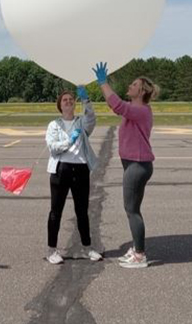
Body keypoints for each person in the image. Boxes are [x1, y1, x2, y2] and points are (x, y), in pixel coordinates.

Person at [93, 62, 159, 269]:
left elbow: (117, 105)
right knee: (134, 209)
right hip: (136, 165)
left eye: (134, 84)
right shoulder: (137, 110)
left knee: (131, 210)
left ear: (141, 91)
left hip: (137, 166)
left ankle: (140, 255)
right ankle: (137, 248)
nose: (129, 86)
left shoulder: (141, 111)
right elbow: (117, 106)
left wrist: (103, 82)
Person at [44, 86, 102, 264]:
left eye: (71, 99)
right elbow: (53, 146)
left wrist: (86, 100)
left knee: (82, 211)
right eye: (65, 100)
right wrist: (70, 140)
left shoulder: (81, 122)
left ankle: (87, 248)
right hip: (61, 169)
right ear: (60, 105)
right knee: (56, 211)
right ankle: (52, 250)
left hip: (81, 169)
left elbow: (91, 118)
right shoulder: (54, 125)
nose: (68, 102)